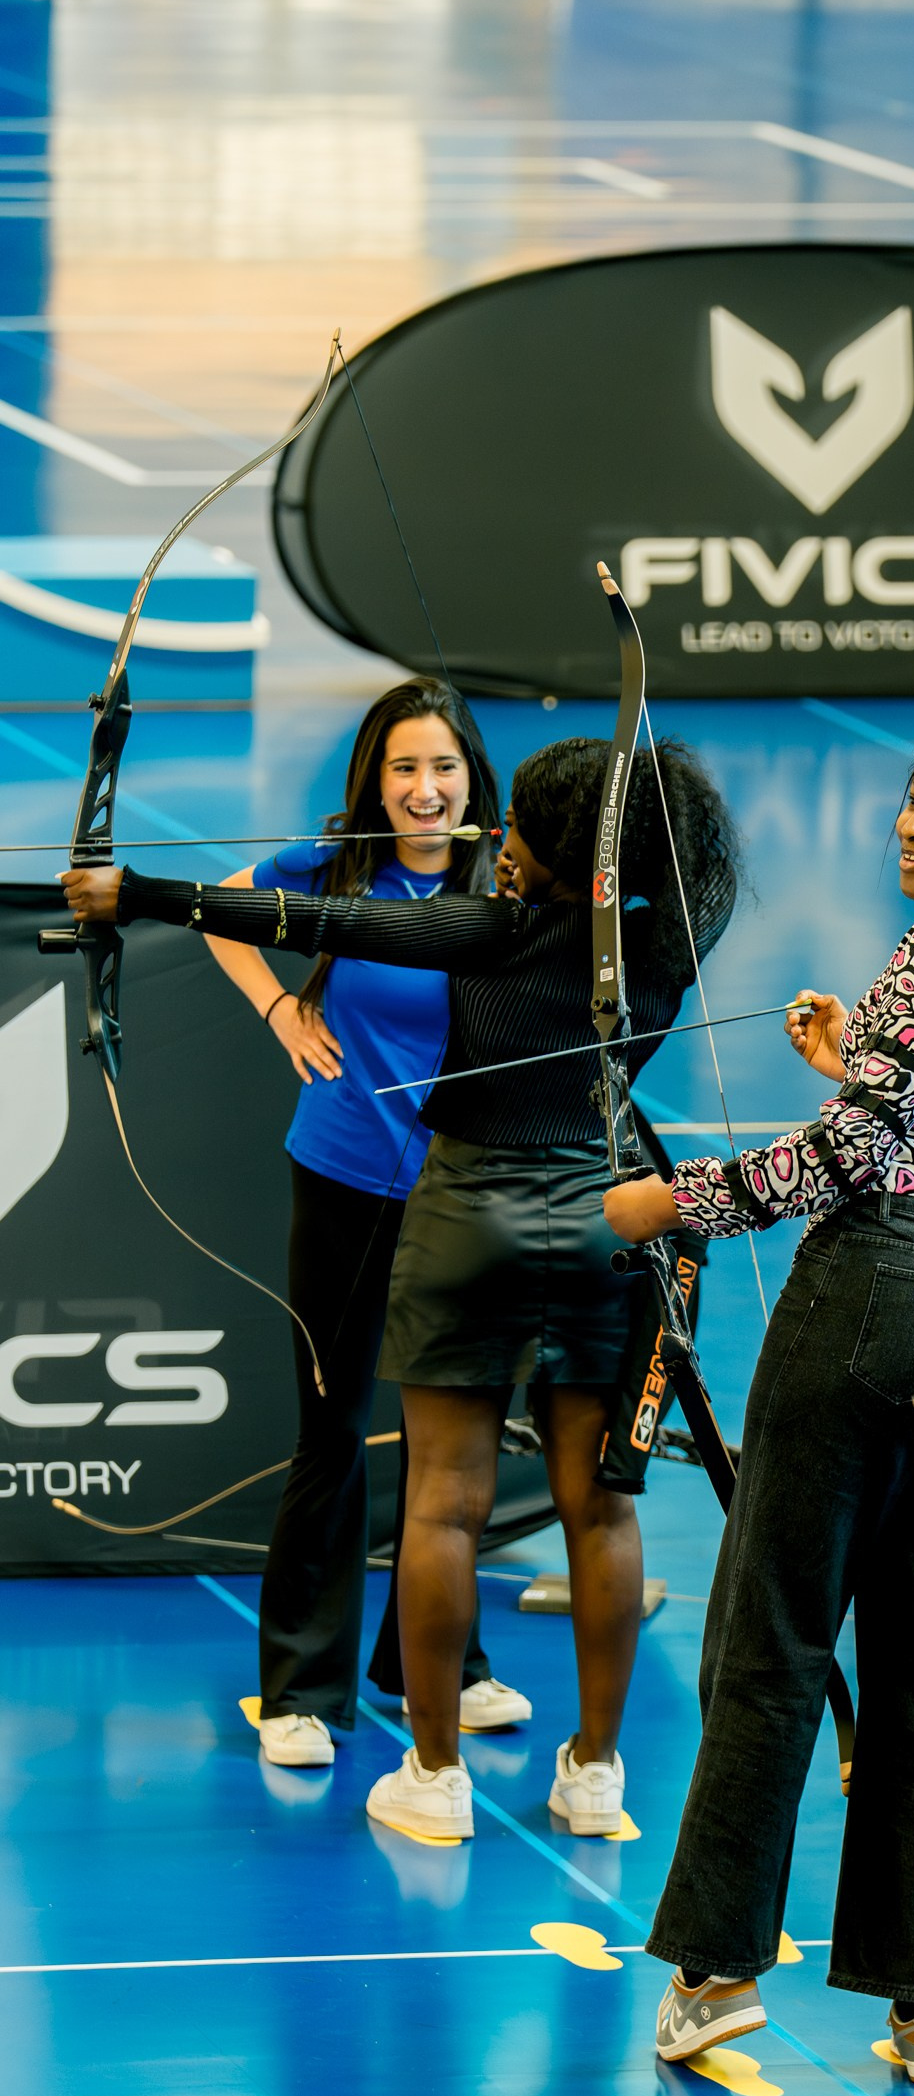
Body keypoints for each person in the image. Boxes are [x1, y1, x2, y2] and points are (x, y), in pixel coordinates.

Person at [63, 730, 739, 1848]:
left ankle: (434, 1778)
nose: (496, 835)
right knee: (601, 1506)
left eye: (518, 822)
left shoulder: (487, 927)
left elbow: (316, 920)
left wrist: (136, 891)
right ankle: (597, 1774)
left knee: (441, 1502)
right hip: (600, 1224)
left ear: (568, 854)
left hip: (466, 1213)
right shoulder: (666, 944)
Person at [604, 709, 914, 2090]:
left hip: (885, 1297)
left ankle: (715, 1976)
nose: (910, 823)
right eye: (911, 799)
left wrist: (673, 1205)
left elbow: (841, 1168)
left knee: (771, 1634)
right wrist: (857, 1064)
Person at [201, 678, 517, 1771]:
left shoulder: (510, 875)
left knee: (452, 1443)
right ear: (373, 782)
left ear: (472, 775)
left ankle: (437, 1666)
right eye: (402, 769)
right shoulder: (333, 863)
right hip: (341, 1176)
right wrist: (282, 1006)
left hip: (467, 1196)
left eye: (443, 768)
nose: (425, 791)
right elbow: (219, 906)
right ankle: (298, 1686)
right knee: (332, 1431)